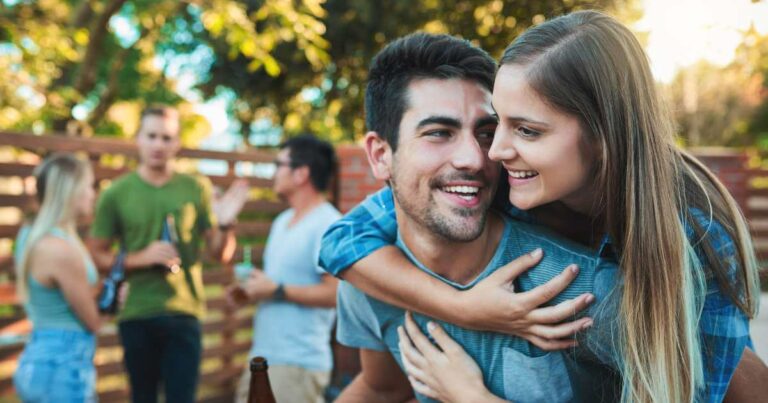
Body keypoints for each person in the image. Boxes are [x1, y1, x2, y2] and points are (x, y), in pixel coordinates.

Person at [320, 11, 763, 403]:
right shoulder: (504, 192)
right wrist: (464, 308)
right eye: (501, 126)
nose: (487, 155)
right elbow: (343, 239)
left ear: (603, 136)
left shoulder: (691, 240)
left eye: (527, 130)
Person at [332, 32, 616, 403]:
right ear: (380, 155)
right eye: (439, 133)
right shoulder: (368, 281)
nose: (476, 158)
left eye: (485, 132)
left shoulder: (588, 289)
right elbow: (382, 387)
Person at [87, 105, 250, 403]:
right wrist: (140, 257)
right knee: (143, 397)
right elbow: (96, 255)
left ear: (177, 143)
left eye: (166, 138)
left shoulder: (195, 188)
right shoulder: (116, 193)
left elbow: (220, 254)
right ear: (138, 139)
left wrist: (226, 224)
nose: (158, 145)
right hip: (136, 312)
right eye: (151, 136)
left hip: (184, 312)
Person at [227, 134, 341, 403]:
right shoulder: (282, 221)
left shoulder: (328, 223)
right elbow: (280, 284)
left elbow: (336, 294)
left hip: (298, 365)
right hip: (265, 357)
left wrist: (277, 289)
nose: (274, 172)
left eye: (279, 164)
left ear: (301, 173)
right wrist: (253, 291)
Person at [13, 154, 100, 402]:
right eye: (88, 186)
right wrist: (112, 303)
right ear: (71, 192)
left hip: (42, 358)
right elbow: (92, 321)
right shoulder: (59, 249)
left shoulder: (30, 234)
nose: (93, 194)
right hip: (62, 368)